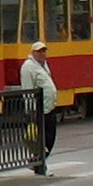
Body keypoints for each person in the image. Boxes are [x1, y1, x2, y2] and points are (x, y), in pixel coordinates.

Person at [17, 41, 61, 176]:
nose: (42, 54)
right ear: (32, 53)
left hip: (49, 107)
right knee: (42, 139)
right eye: (39, 51)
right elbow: (28, 89)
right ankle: (39, 165)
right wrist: (31, 110)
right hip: (39, 109)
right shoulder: (28, 67)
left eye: (44, 51)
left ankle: (38, 162)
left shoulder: (43, 65)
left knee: (49, 138)